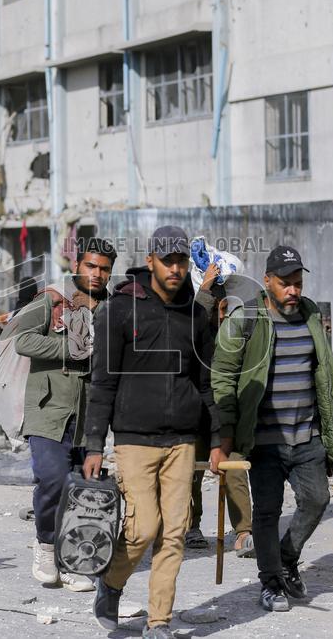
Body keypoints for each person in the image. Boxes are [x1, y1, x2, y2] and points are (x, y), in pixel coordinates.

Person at [85, 226, 224, 639]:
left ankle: (159, 620)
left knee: (175, 533)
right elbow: (103, 382)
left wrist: (218, 438)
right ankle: (110, 584)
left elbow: (206, 381)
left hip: (182, 440)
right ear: (151, 262)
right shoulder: (119, 310)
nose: (176, 268)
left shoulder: (196, 315)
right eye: (168, 260)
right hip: (133, 438)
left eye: (182, 260)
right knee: (144, 527)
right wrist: (95, 444)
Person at [211, 245, 333, 613]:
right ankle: (271, 583)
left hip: (308, 435)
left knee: (318, 499)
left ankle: (286, 557)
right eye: (286, 283)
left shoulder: (310, 314)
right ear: (267, 281)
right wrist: (226, 432)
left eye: (298, 283)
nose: (293, 290)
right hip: (265, 440)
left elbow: (324, 373)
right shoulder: (247, 319)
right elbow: (222, 373)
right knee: (268, 511)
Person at [16, 239, 115, 593]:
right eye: (91, 266)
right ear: (78, 266)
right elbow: (21, 340)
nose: (97, 274)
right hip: (48, 410)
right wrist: (70, 349)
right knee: (52, 479)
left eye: (104, 268)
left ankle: (72, 559)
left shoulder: (112, 308)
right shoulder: (52, 299)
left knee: (81, 490)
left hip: (89, 414)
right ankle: (45, 544)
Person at [186, 264, 254, 556]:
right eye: (217, 304)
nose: (222, 311)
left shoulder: (237, 326)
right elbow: (189, 330)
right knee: (191, 471)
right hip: (196, 406)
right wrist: (203, 293)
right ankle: (191, 525)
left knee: (233, 465)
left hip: (225, 408)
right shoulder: (195, 320)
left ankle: (243, 533)